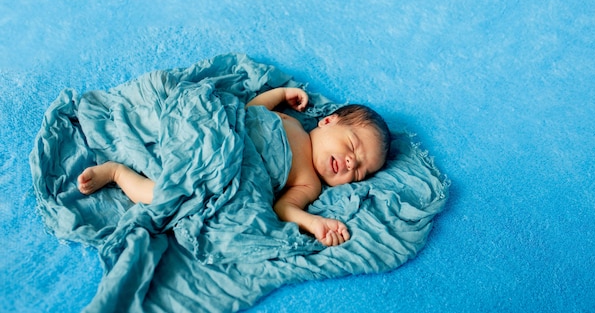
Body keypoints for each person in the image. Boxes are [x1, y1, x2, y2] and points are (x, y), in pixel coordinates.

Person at [78, 87, 391, 246]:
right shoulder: (290, 121)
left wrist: (313, 223)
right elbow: (250, 110)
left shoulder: (310, 183)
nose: (351, 163)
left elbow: (284, 210)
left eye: (360, 171)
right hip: (212, 133)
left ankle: (117, 173)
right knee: (172, 120)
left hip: (219, 173)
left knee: (165, 194)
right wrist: (281, 94)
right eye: (351, 147)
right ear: (327, 121)